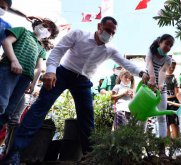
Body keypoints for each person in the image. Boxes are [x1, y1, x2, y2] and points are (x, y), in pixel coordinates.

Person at [1, 16, 149, 164]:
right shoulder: (78, 34)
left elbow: (126, 63)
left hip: (83, 82)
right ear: (99, 27)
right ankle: (15, 153)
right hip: (63, 74)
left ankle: (91, 157)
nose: (109, 34)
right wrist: (51, 71)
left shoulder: (110, 50)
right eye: (107, 30)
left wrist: (142, 73)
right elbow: (58, 51)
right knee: (39, 108)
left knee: (87, 118)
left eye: (112, 32)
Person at [145, 34, 174, 156]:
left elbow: (162, 72)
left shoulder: (168, 59)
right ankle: (143, 146)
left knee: (161, 116)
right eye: (166, 43)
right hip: (147, 88)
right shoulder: (150, 52)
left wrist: (161, 84)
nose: (168, 47)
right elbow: (149, 66)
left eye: (170, 45)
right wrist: (152, 79)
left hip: (160, 89)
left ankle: (161, 149)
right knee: (144, 116)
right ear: (160, 42)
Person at [165, 60, 181, 138]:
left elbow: (177, 93)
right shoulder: (160, 77)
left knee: (174, 123)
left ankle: (176, 144)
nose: (172, 68)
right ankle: (167, 144)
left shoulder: (175, 78)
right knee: (165, 124)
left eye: (173, 67)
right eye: (170, 67)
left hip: (173, 102)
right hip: (163, 103)